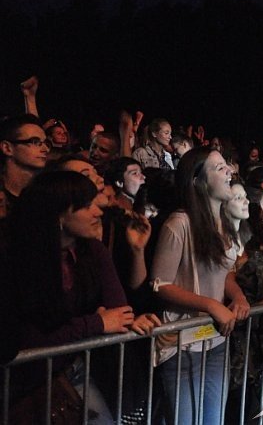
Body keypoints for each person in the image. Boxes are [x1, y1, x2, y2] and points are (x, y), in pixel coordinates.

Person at [4, 171, 160, 424]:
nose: (98, 211)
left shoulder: (89, 250)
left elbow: (118, 309)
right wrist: (95, 324)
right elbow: (24, 340)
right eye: (86, 206)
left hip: (73, 369)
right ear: (59, 214)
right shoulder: (19, 260)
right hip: (25, 385)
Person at [151, 147, 249, 424]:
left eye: (226, 165)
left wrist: (238, 297)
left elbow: (225, 274)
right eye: (219, 168)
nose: (229, 171)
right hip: (181, 345)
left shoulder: (225, 225)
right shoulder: (179, 224)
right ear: (198, 182)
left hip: (216, 340)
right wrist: (211, 305)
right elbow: (160, 285)